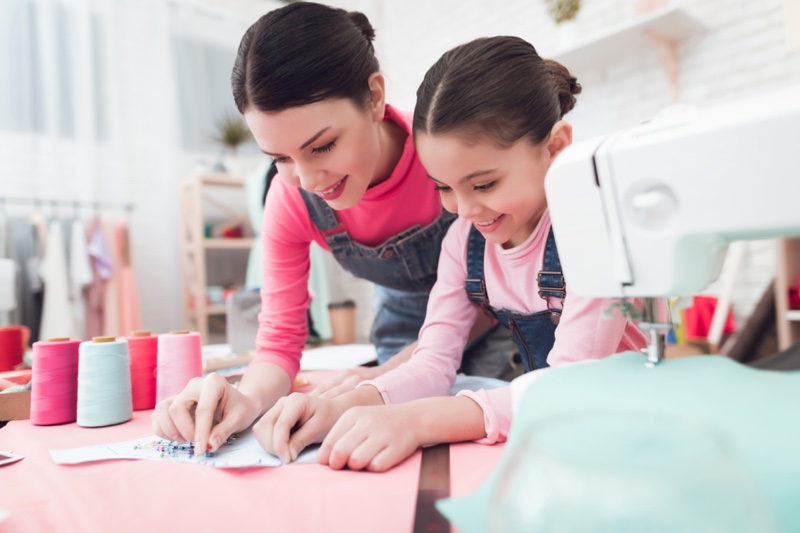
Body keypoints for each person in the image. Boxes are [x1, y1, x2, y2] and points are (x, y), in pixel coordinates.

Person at [256, 35, 650, 470]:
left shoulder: (590, 235)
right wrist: (343, 407)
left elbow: (570, 386)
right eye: (443, 187)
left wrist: (418, 421)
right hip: (559, 435)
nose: (464, 210)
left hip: (628, 430)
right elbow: (434, 361)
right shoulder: (464, 242)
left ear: (555, 147)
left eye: (483, 185)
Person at [151, 2, 508, 453]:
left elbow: (493, 290)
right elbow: (280, 338)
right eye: (280, 158)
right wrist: (245, 397)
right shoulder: (290, 198)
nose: (307, 180)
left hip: (497, 320)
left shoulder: (442, 153)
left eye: (321, 147)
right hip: (404, 333)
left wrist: (383, 379)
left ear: (375, 97)